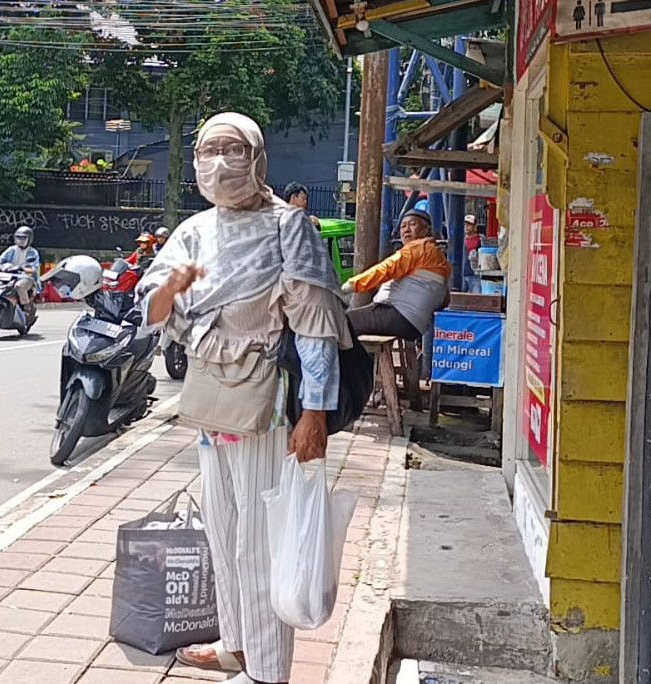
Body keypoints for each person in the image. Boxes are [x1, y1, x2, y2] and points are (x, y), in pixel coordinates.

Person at [139, 112, 349, 684]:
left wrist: (315, 413)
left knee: (260, 544)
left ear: (256, 157)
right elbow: (159, 306)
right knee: (223, 532)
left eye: (232, 148)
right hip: (212, 403)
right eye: (207, 150)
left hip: (268, 405)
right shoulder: (196, 232)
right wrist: (168, 290)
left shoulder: (289, 228)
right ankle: (235, 644)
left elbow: (314, 326)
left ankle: (269, 670)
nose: (218, 161)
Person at [343, 209, 451, 341]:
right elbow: (444, 299)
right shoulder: (439, 258)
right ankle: (363, 360)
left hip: (398, 314)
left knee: (340, 322)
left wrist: (350, 286)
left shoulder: (418, 247)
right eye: (403, 226)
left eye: (412, 224)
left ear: (425, 230)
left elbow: (386, 269)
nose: (406, 230)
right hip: (416, 326)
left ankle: (357, 362)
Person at [0, 226, 40, 306]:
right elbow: (0, 259)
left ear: (29, 239)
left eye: (23, 238)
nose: (20, 240)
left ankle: (27, 307)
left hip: (26, 278)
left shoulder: (32, 252)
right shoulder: (11, 249)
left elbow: (33, 268)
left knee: (19, 286)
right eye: (18, 238)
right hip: (9, 276)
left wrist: (24, 268)